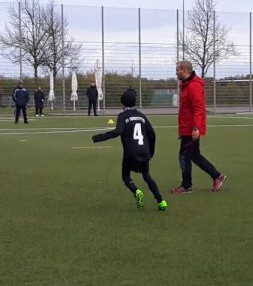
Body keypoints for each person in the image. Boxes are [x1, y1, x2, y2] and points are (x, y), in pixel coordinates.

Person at [92, 89, 168, 211]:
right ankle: (161, 201)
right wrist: (150, 152)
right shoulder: (142, 116)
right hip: (144, 151)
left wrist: (99, 138)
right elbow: (152, 134)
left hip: (130, 153)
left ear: (122, 103)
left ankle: (137, 191)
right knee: (146, 176)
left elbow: (118, 131)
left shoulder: (122, 116)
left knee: (126, 176)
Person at [171, 60, 226, 193]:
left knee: (184, 156)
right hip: (186, 128)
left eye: (178, 70)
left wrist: (196, 128)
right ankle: (217, 176)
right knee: (194, 155)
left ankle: (186, 186)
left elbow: (198, 108)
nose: (176, 72)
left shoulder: (193, 86)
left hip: (190, 129)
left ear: (184, 70)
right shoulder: (186, 85)